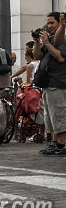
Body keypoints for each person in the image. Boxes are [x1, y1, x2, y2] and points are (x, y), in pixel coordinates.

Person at [33, 12, 66, 156]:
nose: (49, 25)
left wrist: (46, 43)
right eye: (48, 23)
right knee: (50, 116)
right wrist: (37, 42)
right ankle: (54, 143)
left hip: (57, 83)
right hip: (47, 84)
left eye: (52, 23)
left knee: (59, 114)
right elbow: (37, 57)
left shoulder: (62, 39)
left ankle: (62, 145)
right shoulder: (51, 39)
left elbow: (60, 57)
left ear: (60, 23)